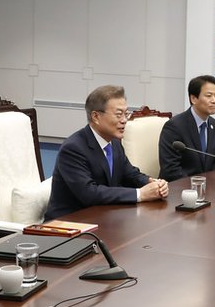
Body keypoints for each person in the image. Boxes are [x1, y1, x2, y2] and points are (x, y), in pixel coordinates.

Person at [45, 84, 168, 220]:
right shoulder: (73, 148)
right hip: (69, 224)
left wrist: (151, 182)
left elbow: (129, 174)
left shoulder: (114, 143)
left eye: (126, 114)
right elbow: (89, 193)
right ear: (96, 117)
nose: (124, 120)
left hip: (102, 217)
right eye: (118, 114)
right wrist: (140, 194)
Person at [158, 75, 215, 181]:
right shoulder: (174, 126)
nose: (214, 100)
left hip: (207, 188)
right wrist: (197, 184)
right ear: (193, 98)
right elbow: (170, 170)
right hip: (178, 189)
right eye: (209, 96)